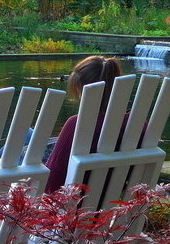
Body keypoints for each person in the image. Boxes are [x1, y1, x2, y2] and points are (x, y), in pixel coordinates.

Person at [43, 55, 123, 193]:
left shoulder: (76, 124)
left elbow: (51, 185)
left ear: (83, 90)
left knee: (18, 153)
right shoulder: (136, 125)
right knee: (28, 135)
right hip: (109, 200)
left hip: (72, 203)